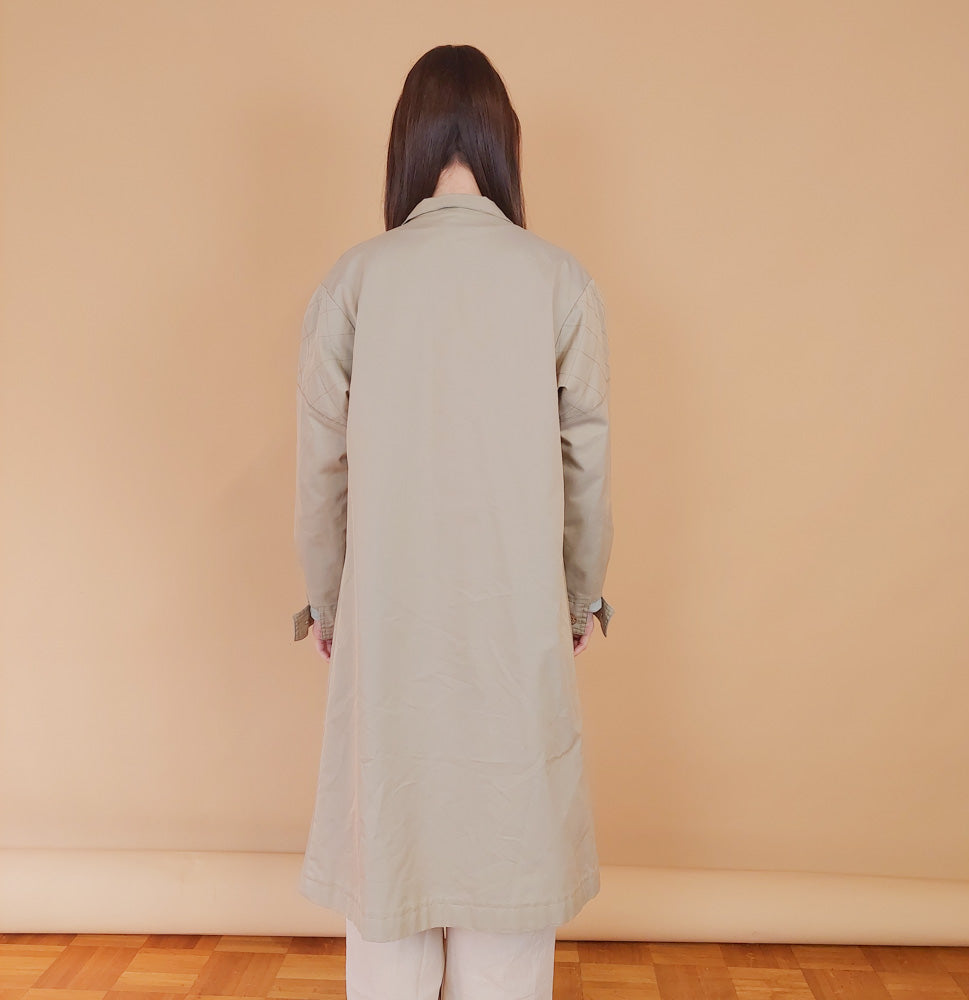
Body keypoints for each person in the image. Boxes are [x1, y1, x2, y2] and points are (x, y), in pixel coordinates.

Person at [291, 43, 615, 999]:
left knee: (389, 893)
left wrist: (330, 606)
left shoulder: (354, 281)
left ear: (407, 143)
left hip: (389, 636)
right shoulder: (559, 281)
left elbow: (320, 472)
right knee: (507, 902)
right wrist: (578, 599)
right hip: (516, 632)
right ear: (504, 144)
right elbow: (587, 465)